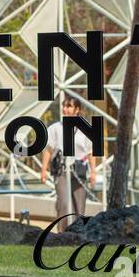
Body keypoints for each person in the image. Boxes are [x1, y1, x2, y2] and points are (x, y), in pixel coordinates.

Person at [40, 95, 97, 232]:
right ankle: (62, 235)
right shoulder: (55, 128)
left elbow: (91, 152)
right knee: (64, 204)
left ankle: (79, 235)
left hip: (80, 170)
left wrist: (94, 172)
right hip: (62, 171)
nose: (65, 109)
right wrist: (43, 169)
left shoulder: (85, 129)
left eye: (69, 106)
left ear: (77, 110)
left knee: (80, 206)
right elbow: (48, 150)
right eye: (64, 106)